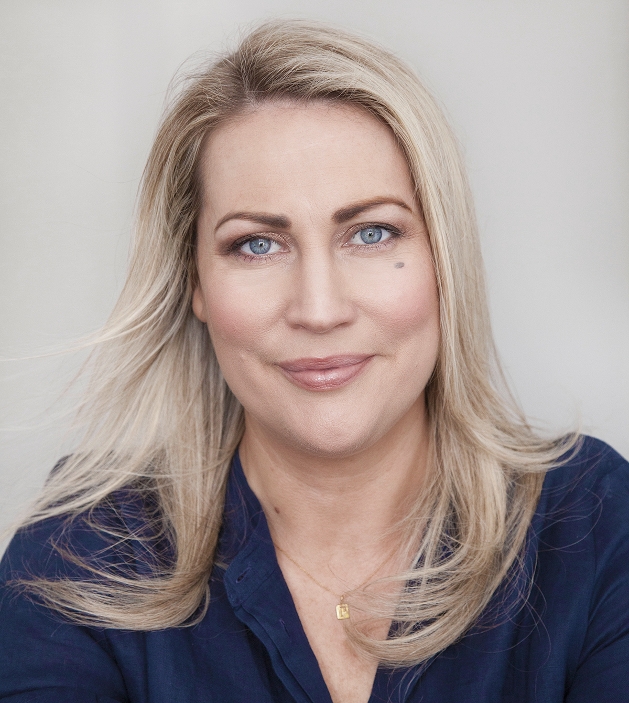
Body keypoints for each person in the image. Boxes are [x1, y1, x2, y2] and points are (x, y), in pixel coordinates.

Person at [0, 19, 627, 703]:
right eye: (257, 245)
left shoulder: (594, 524)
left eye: (371, 232)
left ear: (443, 259)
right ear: (194, 282)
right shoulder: (81, 552)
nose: (319, 309)